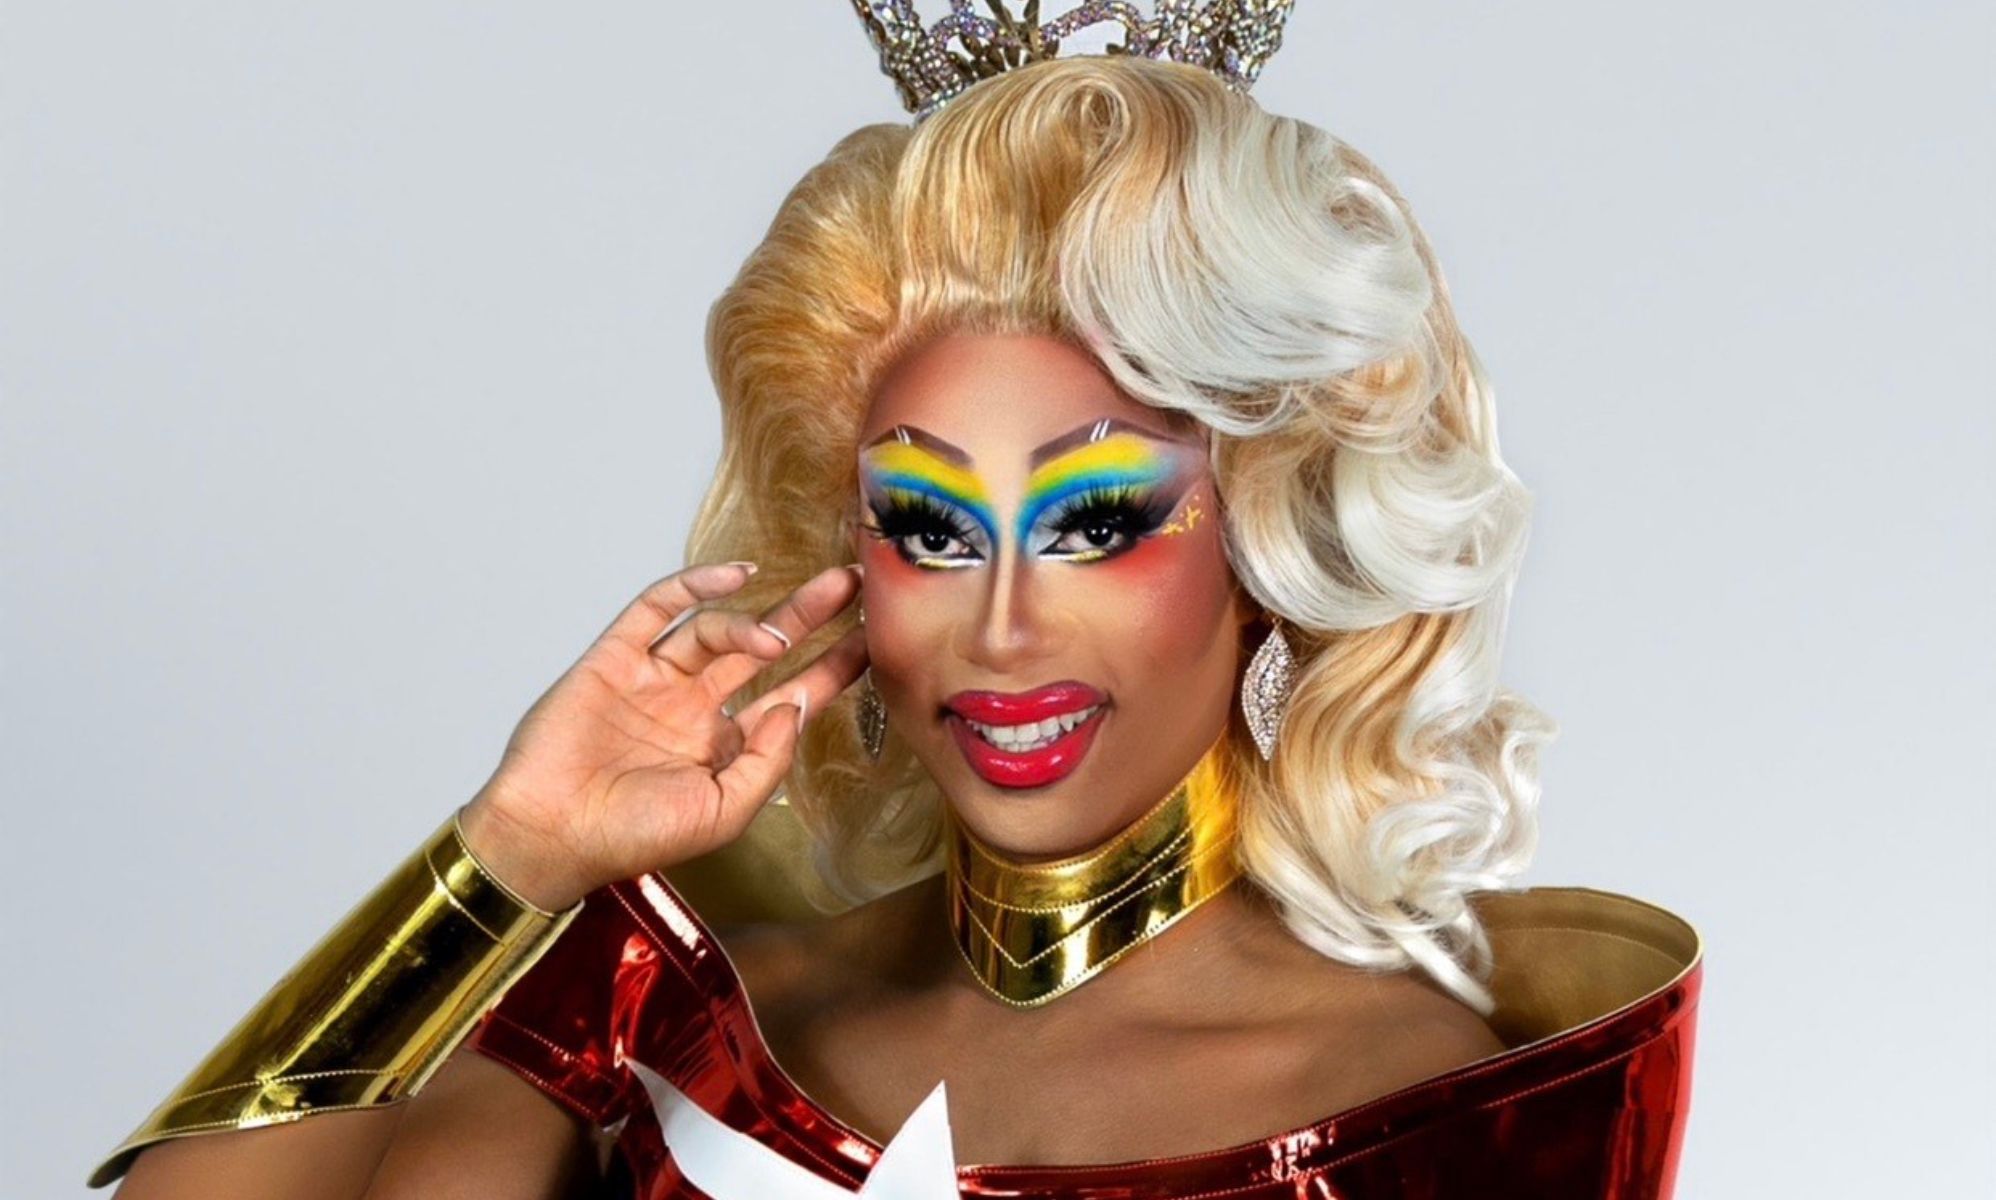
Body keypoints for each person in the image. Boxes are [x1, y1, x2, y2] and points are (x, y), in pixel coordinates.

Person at [91, 7, 1702, 1198]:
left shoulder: (1428, 1109)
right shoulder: (676, 1013)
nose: (1001, 624)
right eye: (928, 527)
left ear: (1268, 550)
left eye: (1096, 522)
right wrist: (507, 856)